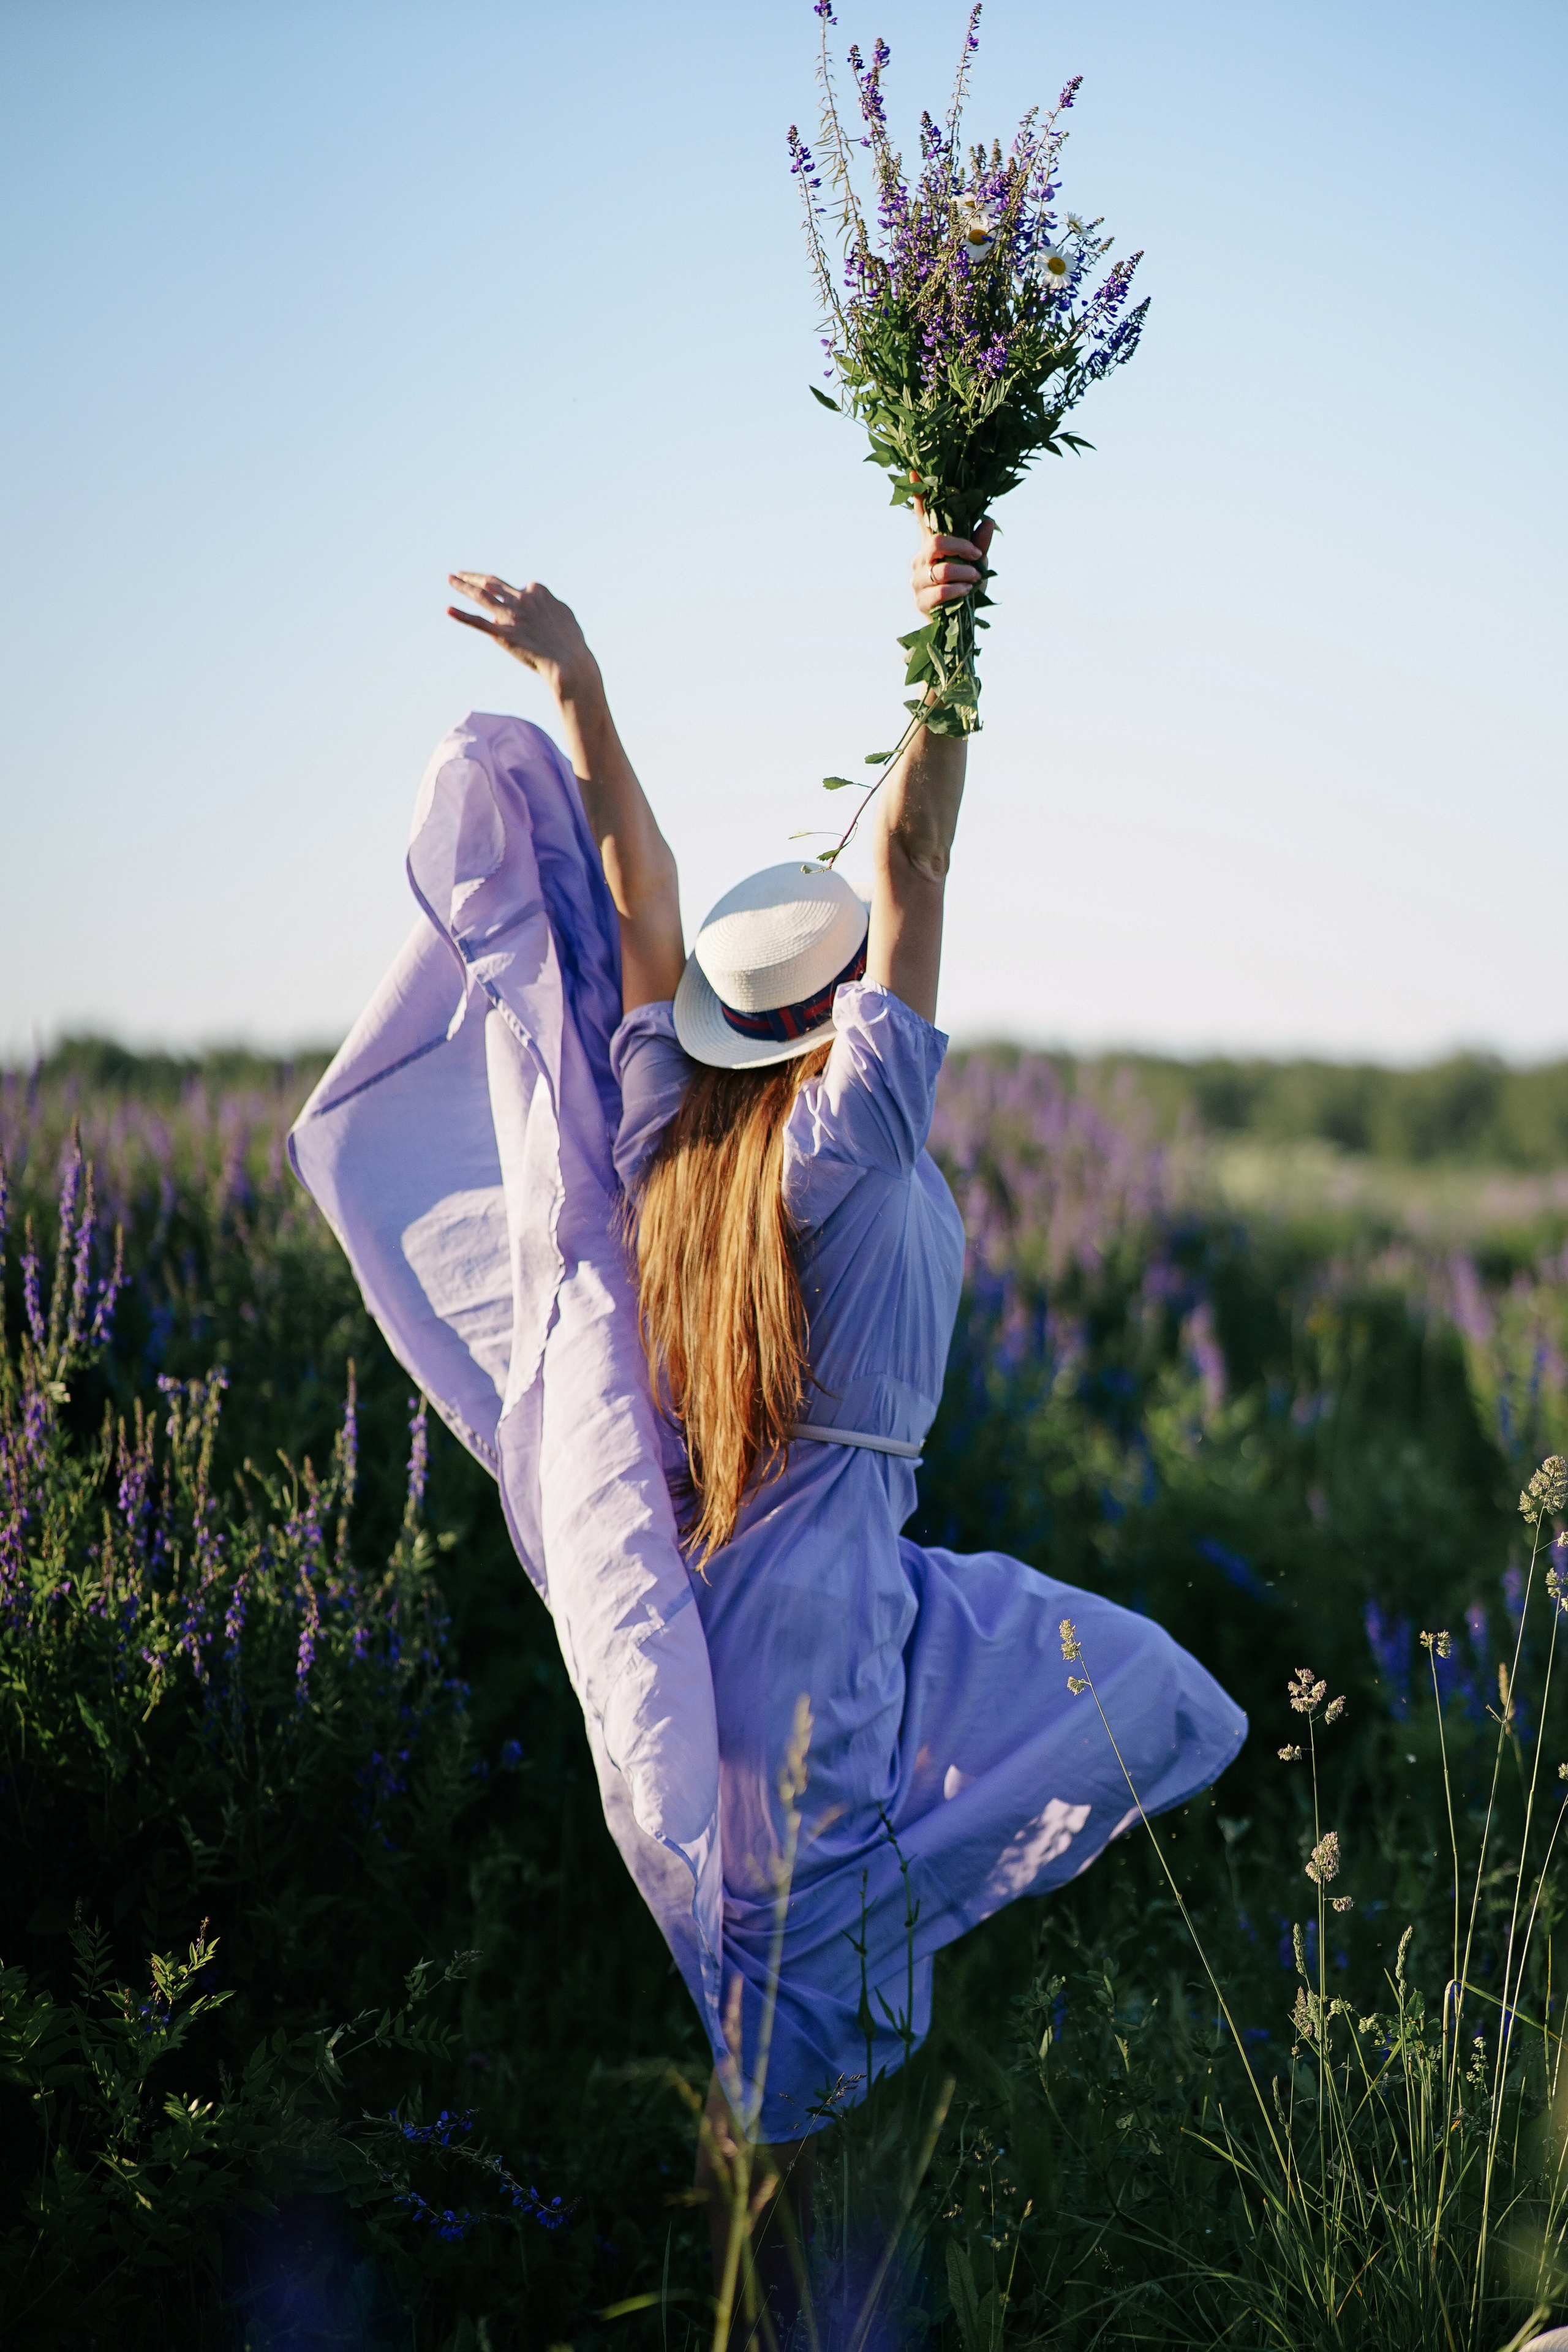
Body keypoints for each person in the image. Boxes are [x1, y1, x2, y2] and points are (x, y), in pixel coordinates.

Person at [434, 513, 1248, 2329]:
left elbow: (643, 892)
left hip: (747, 1594)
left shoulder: (680, 1142)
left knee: (786, 1990)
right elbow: (919, 847)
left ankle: (748, 2271)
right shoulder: (849, 1130)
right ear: (836, 1018)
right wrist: (943, 648)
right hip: (830, 1622)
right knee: (819, 2032)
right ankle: (780, 2296)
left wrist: (585, 689)